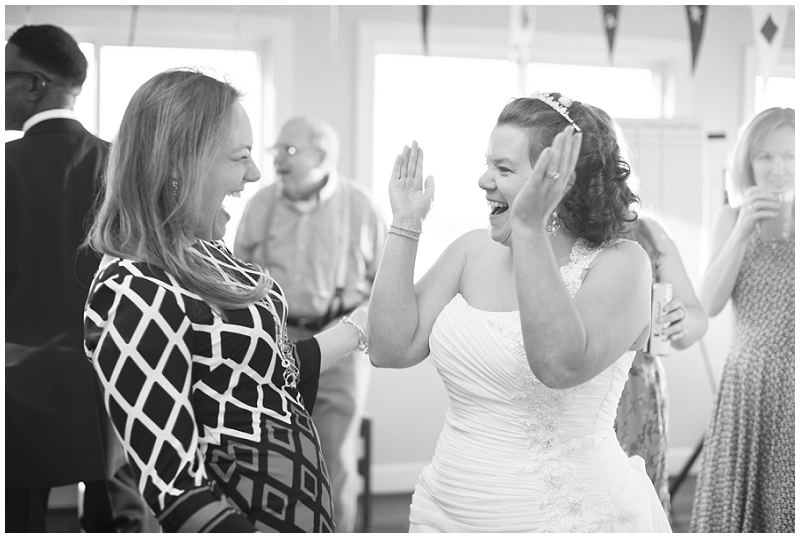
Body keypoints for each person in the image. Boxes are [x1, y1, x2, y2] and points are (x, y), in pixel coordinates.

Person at [368, 92, 672, 532]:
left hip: (565, 517)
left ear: (558, 181)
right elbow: (389, 348)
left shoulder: (623, 264)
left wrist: (529, 226)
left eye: (504, 169)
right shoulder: (471, 251)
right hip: (447, 508)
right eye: (488, 163)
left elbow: (560, 365)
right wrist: (406, 223)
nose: (483, 180)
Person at [83, 68, 370, 532]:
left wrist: (357, 328)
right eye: (240, 157)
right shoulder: (132, 287)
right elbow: (176, 488)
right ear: (178, 164)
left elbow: (264, 375)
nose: (256, 173)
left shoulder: (206, 251)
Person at [5, 24, 157, 533]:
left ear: (34, 84)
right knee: (118, 518)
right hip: (116, 375)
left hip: (16, 379)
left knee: (16, 519)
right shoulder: (123, 167)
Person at [235, 116, 386, 532]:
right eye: (276, 151)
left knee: (334, 458)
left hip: (339, 342)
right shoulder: (260, 204)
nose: (277, 161)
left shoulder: (361, 207)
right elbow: (234, 275)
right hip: (273, 344)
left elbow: (385, 286)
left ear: (322, 156)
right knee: (269, 455)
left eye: (290, 151)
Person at [690, 107, 795, 533]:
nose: (778, 169)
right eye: (765, 157)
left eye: (790, 156)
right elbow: (709, 304)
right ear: (747, 162)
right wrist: (740, 231)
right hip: (748, 384)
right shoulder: (729, 218)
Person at [609, 119, 708, 523]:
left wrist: (683, 321)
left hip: (637, 391)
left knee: (635, 501)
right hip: (572, 385)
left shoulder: (649, 233)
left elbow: (698, 318)